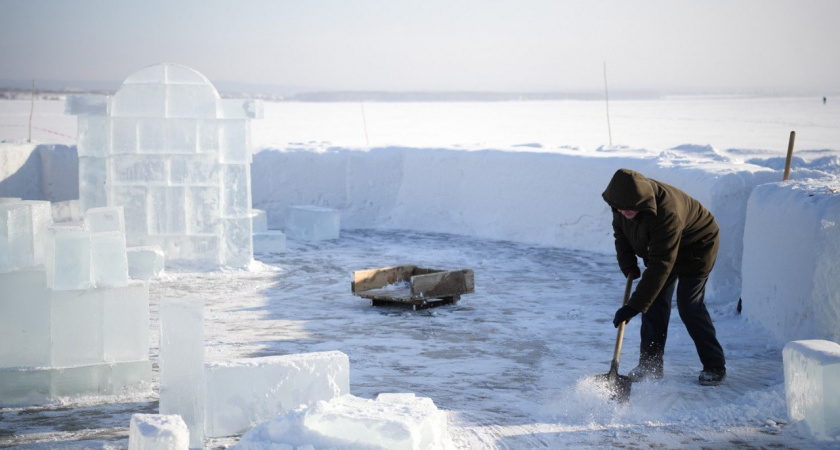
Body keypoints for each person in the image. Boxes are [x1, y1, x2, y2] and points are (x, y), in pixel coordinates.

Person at [601, 168, 727, 386]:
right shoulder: (622, 202)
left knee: (689, 306)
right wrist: (628, 264)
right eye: (620, 209)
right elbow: (620, 234)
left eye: (629, 209)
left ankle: (714, 365)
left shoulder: (667, 212)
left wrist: (634, 305)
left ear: (641, 201)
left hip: (697, 246)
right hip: (662, 249)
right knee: (655, 304)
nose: (623, 212)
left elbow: (662, 264)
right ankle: (650, 365)